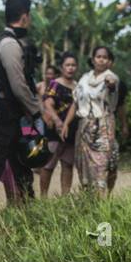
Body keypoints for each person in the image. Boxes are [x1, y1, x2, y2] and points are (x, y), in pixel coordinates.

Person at [0, 0, 42, 211]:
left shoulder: (9, 42)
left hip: (12, 113)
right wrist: (36, 112)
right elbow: (18, 86)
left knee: (21, 162)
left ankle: (28, 210)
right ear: (24, 16)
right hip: (6, 112)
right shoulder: (9, 44)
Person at [74, 45, 122, 194]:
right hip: (84, 126)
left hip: (103, 126)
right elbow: (76, 102)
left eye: (105, 57)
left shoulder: (111, 77)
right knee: (84, 165)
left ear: (109, 61)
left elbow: (112, 87)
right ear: (93, 59)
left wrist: (111, 85)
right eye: (98, 56)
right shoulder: (84, 79)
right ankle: (88, 201)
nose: (101, 60)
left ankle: (102, 202)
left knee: (101, 165)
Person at [40, 52, 79, 196]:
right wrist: (58, 121)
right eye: (67, 65)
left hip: (71, 131)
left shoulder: (78, 86)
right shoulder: (55, 84)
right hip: (53, 130)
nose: (71, 68)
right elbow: (48, 103)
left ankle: (65, 197)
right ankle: (43, 197)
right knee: (48, 164)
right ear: (62, 67)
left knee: (67, 164)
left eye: (73, 65)